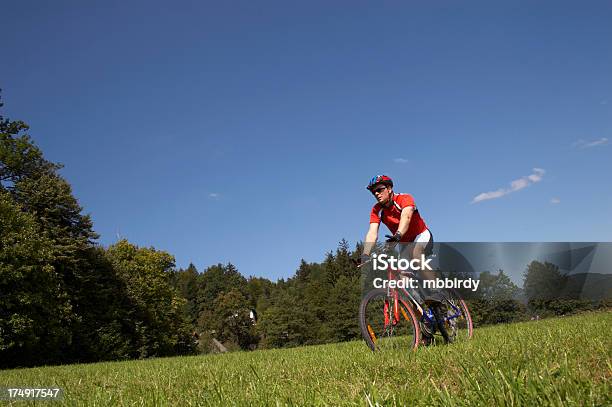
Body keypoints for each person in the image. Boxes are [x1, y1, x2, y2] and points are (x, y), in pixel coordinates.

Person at [358, 174, 450, 344]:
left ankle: (439, 293)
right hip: (403, 243)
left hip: (421, 235)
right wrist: (366, 254)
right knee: (403, 285)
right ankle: (425, 326)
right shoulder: (376, 210)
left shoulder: (404, 199)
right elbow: (372, 232)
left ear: (389, 189)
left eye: (379, 190)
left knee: (416, 254)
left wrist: (398, 234)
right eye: (374, 192)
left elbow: (406, 217)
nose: (377, 194)